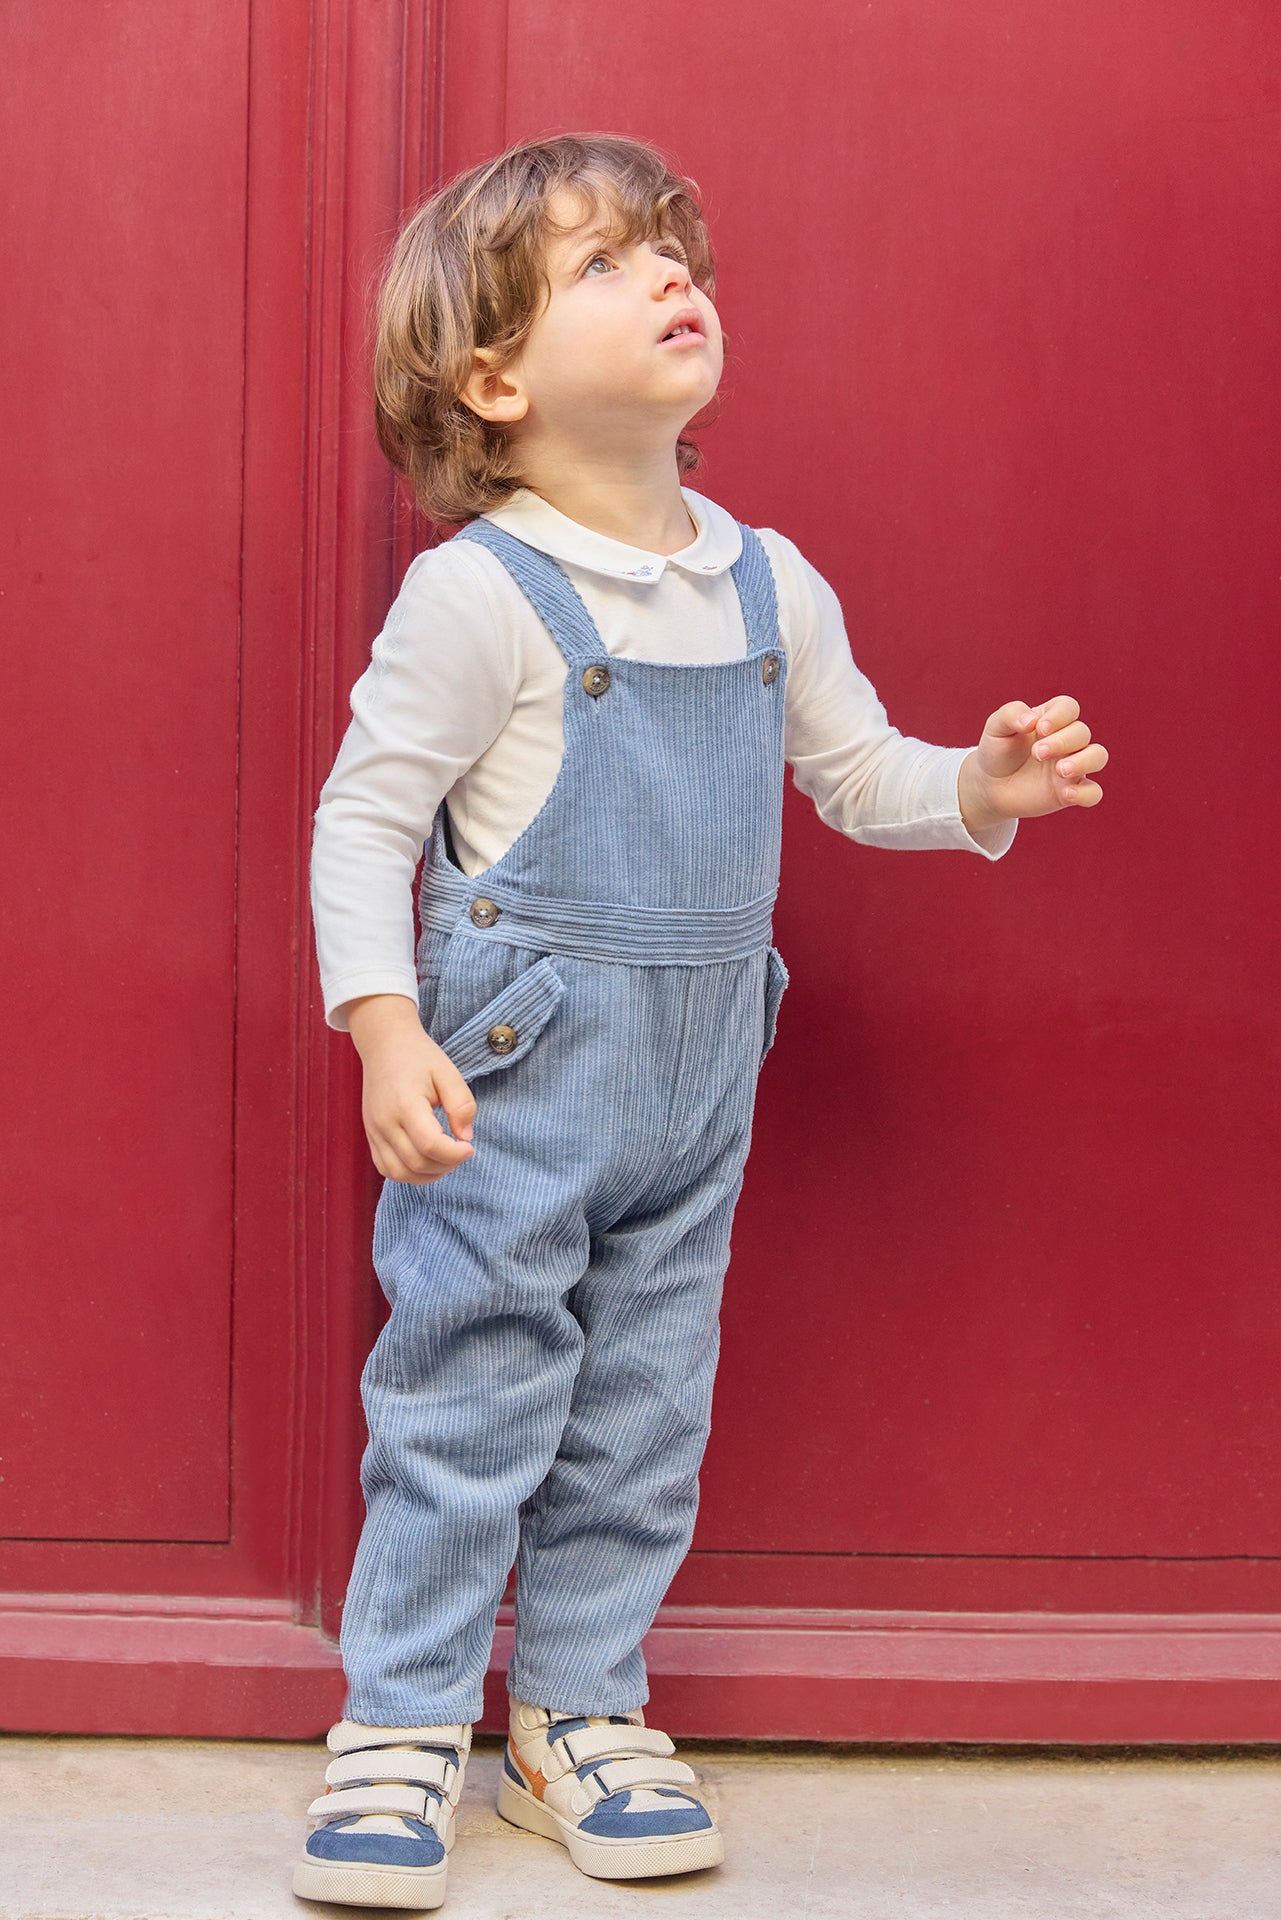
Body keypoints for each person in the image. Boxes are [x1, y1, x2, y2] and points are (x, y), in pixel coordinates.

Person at [298, 131, 1107, 1909]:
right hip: (506, 1084)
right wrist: (381, 1027)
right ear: (492, 381)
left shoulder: (766, 584)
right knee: (465, 1395)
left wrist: (974, 783)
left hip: (693, 1085)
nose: (673, 280)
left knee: (641, 1406)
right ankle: (402, 1718)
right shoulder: (482, 594)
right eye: (604, 266)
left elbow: (857, 772)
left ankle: (574, 1714)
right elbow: (364, 820)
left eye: (675, 255)